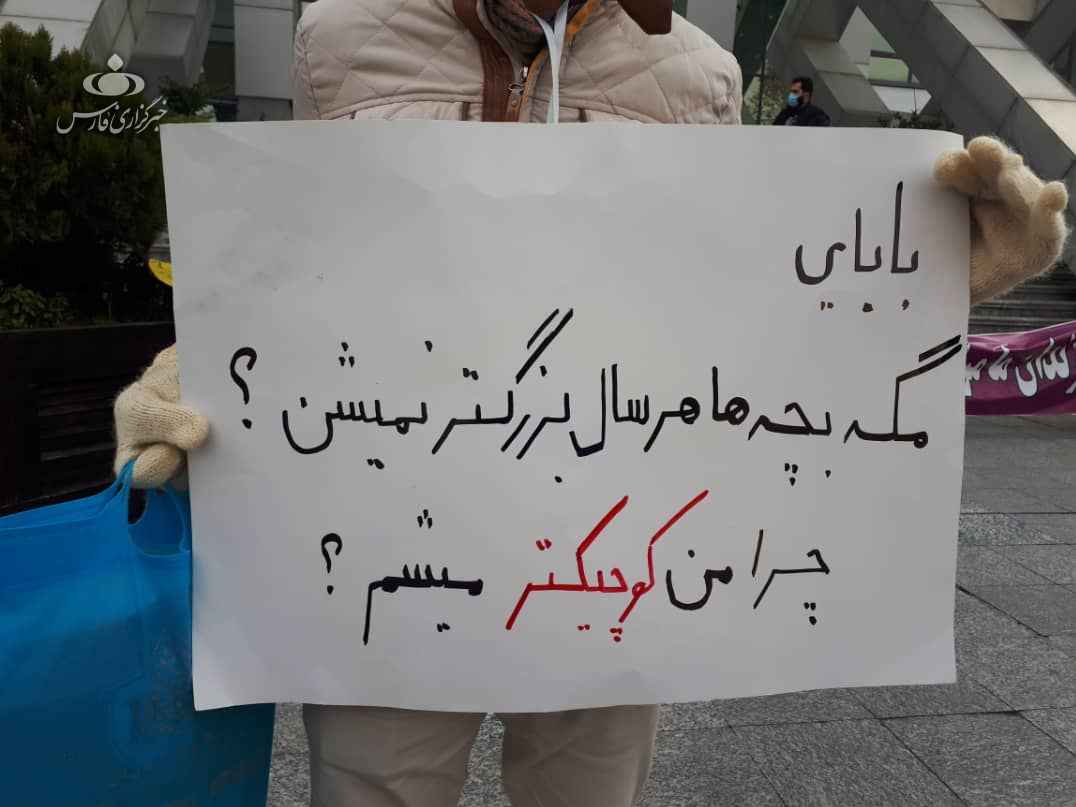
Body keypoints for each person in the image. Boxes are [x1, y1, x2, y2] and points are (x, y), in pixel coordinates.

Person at [113, 1, 1069, 805]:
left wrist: (940, 277)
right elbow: (300, 264)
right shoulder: (340, 35)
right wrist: (196, 372)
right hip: (390, 546)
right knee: (376, 787)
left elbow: (747, 307)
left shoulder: (698, 74)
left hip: (613, 551)